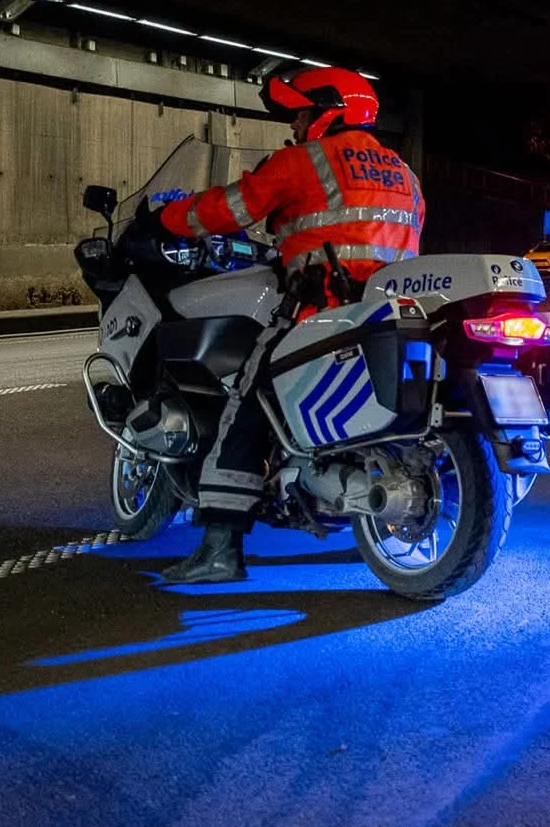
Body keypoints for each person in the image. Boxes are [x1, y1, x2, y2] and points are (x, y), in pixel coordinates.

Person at [134, 66, 425, 583]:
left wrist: (165, 220)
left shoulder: (305, 161)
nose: (295, 125)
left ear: (328, 112)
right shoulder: (406, 176)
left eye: (302, 113)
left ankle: (221, 546)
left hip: (320, 313)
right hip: (384, 319)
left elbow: (230, 209)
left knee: (247, 397)